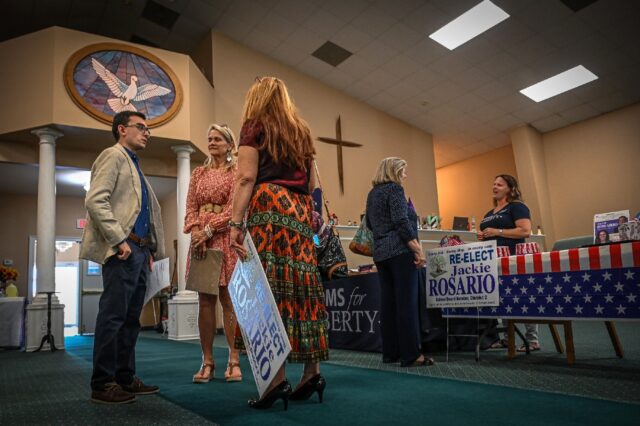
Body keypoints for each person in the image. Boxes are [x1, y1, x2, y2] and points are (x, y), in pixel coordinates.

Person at [230, 76, 328, 410]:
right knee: (303, 287)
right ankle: (312, 372)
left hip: (268, 208)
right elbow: (315, 183)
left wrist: (234, 225)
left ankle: (275, 380)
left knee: (270, 289)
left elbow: (245, 177)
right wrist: (313, 213)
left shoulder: (254, 126)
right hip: (299, 212)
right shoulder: (301, 130)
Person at [80, 111, 165, 404]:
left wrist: (148, 249)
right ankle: (102, 384)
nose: (146, 133)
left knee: (131, 320)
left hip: (139, 251)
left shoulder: (133, 164)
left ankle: (125, 379)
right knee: (113, 316)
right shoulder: (113, 156)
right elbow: (95, 199)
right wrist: (118, 240)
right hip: (123, 249)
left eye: (148, 129)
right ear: (121, 130)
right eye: (140, 127)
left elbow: (140, 213)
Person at [183, 124, 242, 384]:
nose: (212, 142)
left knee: (228, 301)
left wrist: (208, 229)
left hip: (224, 238)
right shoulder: (198, 172)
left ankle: (234, 358)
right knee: (204, 302)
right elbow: (190, 206)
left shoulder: (237, 172)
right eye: (209, 138)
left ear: (230, 144)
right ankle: (207, 361)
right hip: (201, 243)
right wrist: (196, 231)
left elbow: (235, 209)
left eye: (218, 139)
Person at [365, 157, 434, 367]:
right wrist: (417, 248)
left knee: (389, 304)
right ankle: (411, 355)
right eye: (403, 171)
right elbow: (401, 221)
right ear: (394, 171)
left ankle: (391, 353)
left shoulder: (372, 194)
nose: (405, 175)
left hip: (381, 254)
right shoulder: (394, 189)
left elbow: (368, 223)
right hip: (400, 252)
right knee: (407, 304)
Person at [477, 174, 539, 352]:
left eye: (500, 184)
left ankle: (532, 340)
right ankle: (507, 337)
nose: (494, 187)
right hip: (494, 260)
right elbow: (491, 233)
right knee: (502, 298)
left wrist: (497, 231)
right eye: (493, 184)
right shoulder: (489, 213)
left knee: (524, 296)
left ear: (510, 189)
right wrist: (484, 235)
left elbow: (525, 231)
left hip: (514, 259)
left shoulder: (517, 207)